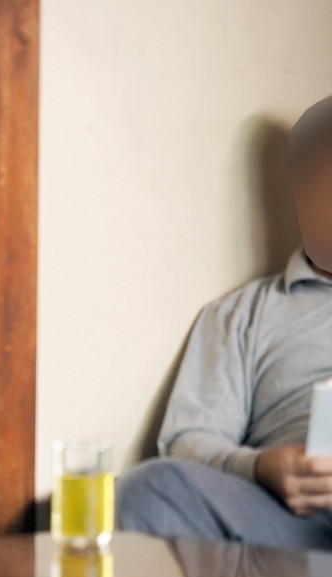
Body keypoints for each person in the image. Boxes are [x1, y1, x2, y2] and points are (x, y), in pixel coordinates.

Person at [117, 96, 332, 551]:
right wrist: (262, 467)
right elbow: (190, 439)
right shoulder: (243, 314)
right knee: (151, 488)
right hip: (292, 528)